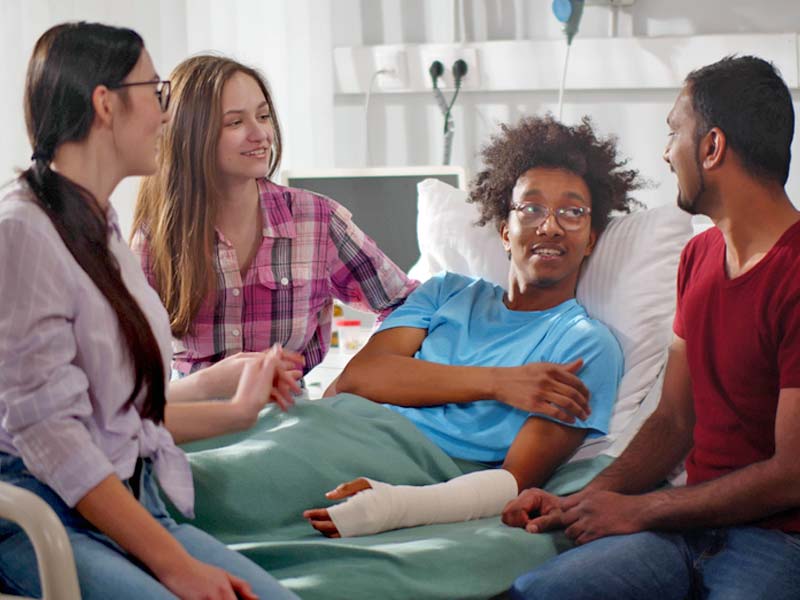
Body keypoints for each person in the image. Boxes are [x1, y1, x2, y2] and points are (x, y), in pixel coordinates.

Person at [0, 22, 300, 599]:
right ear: (105, 104)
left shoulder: (99, 227)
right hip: (48, 519)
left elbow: (118, 415)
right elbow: (53, 438)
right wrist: (177, 566)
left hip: (129, 506)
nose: (168, 115)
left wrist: (231, 402)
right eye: (157, 93)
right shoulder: (24, 233)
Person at [503, 55, 800, 600]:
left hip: (779, 542)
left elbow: (792, 473)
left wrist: (644, 509)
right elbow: (673, 418)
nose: (666, 154)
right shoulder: (699, 258)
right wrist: (584, 501)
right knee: (538, 592)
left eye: (673, 133)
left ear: (711, 147)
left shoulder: (795, 274)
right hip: (683, 530)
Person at [301, 115, 644, 537]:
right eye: (531, 208)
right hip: (330, 426)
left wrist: (394, 504)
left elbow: (512, 483)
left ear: (591, 238)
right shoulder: (445, 292)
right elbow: (360, 376)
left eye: (572, 212)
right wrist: (500, 383)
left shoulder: (584, 347)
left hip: (405, 466)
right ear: (505, 231)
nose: (550, 226)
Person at [131, 55, 418, 379]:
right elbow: (133, 368)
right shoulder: (156, 238)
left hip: (288, 421)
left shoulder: (317, 221)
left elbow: (406, 303)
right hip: (194, 422)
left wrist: (362, 371)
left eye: (264, 116)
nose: (260, 134)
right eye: (235, 122)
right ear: (192, 134)